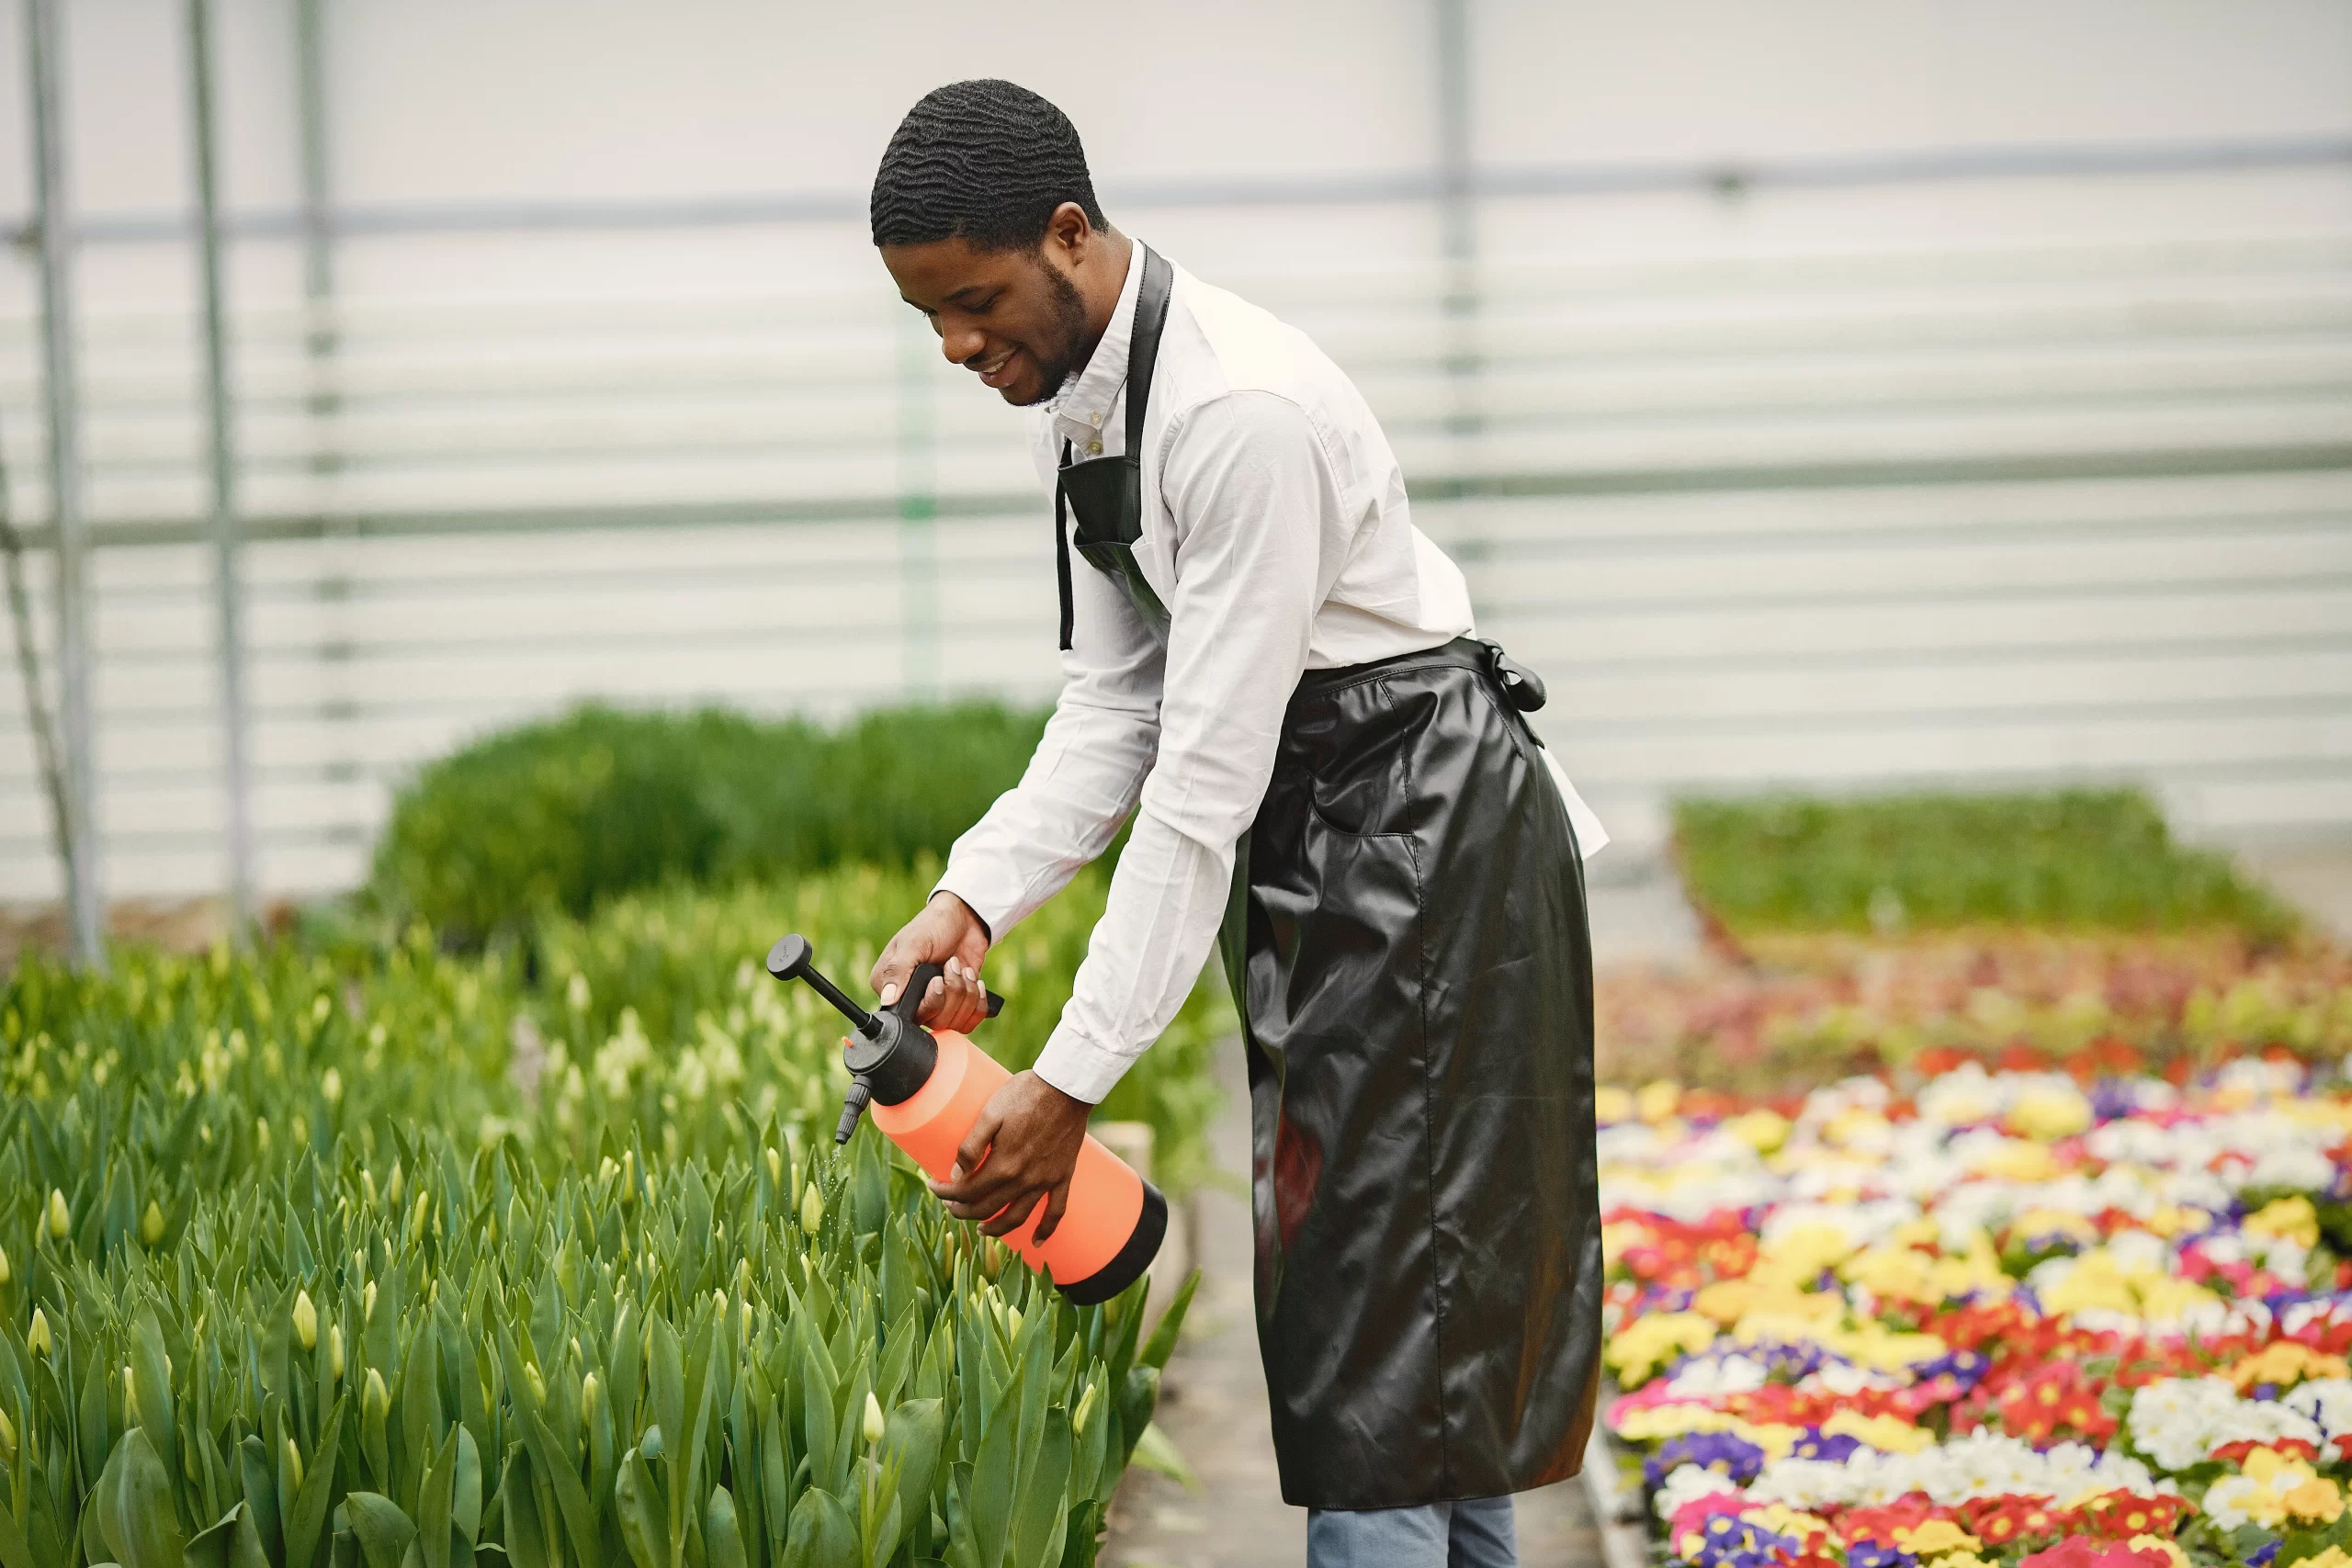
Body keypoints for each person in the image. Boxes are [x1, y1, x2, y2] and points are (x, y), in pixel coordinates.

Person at [864, 79, 1607, 1567]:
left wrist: (1072, 1076)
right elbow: (1116, 704)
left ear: (1068, 235)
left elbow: (1202, 784)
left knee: (1387, 1331)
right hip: (1336, 840)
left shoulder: (1234, 416)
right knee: (1401, 1321)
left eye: (975, 299)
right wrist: (973, 898)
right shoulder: (1078, 413)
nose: (956, 345)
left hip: (1422, 838)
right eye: (927, 315)